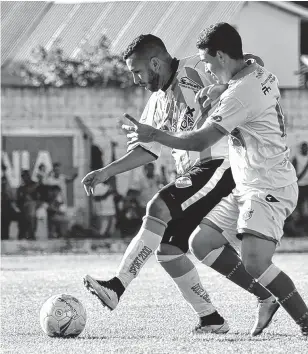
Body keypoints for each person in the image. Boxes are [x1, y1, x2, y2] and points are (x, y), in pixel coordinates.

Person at [124, 23, 308, 337]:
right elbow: (252, 62)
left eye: (206, 60)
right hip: (247, 183)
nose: (203, 67)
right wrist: (220, 87)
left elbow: (199, 141)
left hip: (268, 186)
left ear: (220, 55)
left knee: (255, 262)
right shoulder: (255, 74)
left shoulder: (238, 96)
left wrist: (156, 135)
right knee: (201, 242)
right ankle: (265, 297)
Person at [82, 34, 277, 334]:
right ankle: (212, 318)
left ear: (155, 63)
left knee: (158, 206)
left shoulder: (197, 65)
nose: (136, 79)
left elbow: (254, 63)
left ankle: (116, 287)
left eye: (137, 71)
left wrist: (223, 86)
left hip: (219, 165)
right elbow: (147, 149)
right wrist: (107, 172)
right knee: (170, 253)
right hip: (197, 173)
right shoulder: (157, 100)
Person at [17, 170, 38, 240]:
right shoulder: (21, 187)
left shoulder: (34, 184)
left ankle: (31, 234)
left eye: (25, 176)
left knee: (31, 217)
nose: (24, 178)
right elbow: (19, 199)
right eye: (23, 177)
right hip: (24, 208)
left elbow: (38, 196)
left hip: (33, 206)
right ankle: (24, 234)